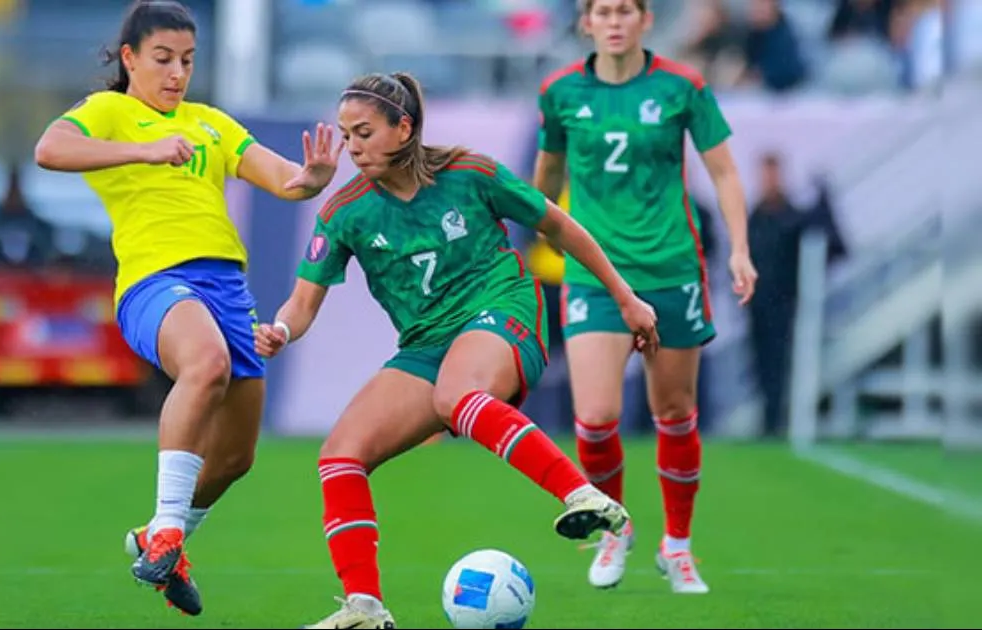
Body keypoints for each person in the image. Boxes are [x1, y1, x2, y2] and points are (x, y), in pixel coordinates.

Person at [254, 71, 658, 629]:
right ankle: (365, 609)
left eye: (364, 132)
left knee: (456, 395)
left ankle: (585, 496)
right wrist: (279, 329)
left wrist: (626, 297)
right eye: (346, 135)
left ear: (405, 128)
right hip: (426, 343)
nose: (352, 147)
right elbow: (301, 303)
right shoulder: (344, 210)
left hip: (504, 309)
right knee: (340, 455)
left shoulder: (471, 174)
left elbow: (561, 228)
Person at [33, 0, 341, 616]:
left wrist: (314, 176)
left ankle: (161, 538)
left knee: (236, 458)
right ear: (129, 58)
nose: (177, 73)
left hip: (226, 287)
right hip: (155, 282)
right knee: (205, 365)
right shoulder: (111, 112)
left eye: (188, 61)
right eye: (163, 59)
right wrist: (140, 152)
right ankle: (168, 530)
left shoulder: (209, 123)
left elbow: (285, 180)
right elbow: (50, 149)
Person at [533, 0, 757, 595]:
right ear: (586, 22)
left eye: (625, 10)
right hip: (596, 276)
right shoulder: (559, 92)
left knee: (675, 413)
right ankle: (614, 529)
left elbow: (726, 173)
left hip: (671, 269)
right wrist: (532, 238)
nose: (614, 20)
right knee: (597, 416)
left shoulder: (683, 86)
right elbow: (545, 181)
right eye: (602, 10)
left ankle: (677, 546)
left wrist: (738, 248)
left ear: (645, 20)